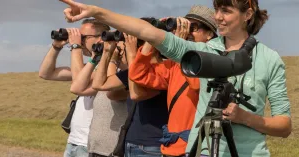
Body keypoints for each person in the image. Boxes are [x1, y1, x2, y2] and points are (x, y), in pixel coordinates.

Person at [59, 0, 292, 157]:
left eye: (226, 11)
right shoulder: (202, 51)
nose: (219, 17)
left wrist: (245, 118)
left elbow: (284, 126)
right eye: (217, 9)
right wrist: (97, 12)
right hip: (201, 150)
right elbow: (148, 32)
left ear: (248, 14)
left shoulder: (269, 59)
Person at [128, 5, 217, 157]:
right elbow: (138, 74)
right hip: (171, 146)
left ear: (209, 34)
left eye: (193, 27)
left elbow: (197, 85)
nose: (187, 31)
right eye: (184, 25)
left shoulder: (215, 61)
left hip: (196, 147)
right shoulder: (174, 65)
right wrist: (152, 36)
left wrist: (180, 48)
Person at [39, 18, 127, 157]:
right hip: (74, 141)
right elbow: (46, 73)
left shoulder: (112, 69)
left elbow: (78, 83)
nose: (79, 40)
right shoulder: (90, 66)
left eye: (83, 37)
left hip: (91, 144)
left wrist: (75, 48)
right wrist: (56, 46)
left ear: (102, 37)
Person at [91, 34, 169, 157]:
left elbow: (136, 94)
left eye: (136, 44)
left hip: (153, 145)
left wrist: (132, 54)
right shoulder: (135, 70)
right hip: (131, 142)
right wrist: (107, 52)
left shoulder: (165, 70)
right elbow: (99, 84)